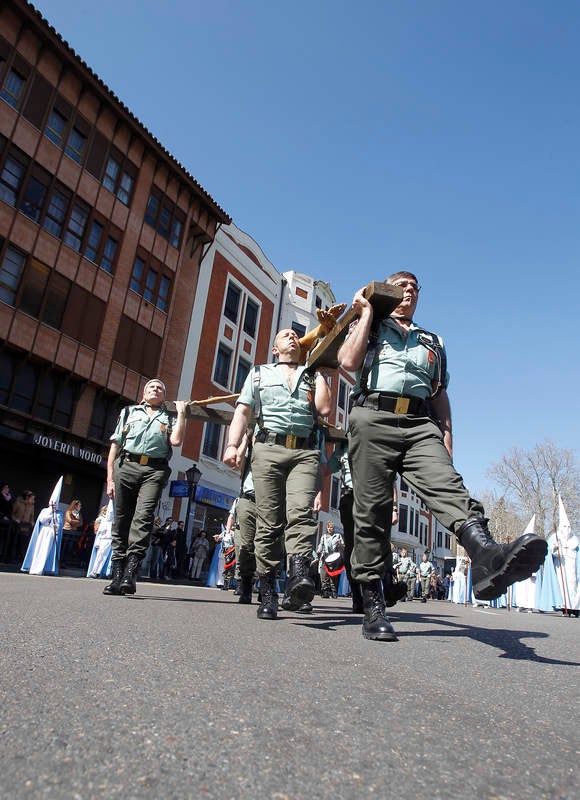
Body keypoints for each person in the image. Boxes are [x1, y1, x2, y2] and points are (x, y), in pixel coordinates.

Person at [338, 271, 547, 640]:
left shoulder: (432, 341)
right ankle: (372, 602)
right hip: (373, 416)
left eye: (415, 288)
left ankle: (486, 557)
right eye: (401, 286)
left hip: (420, 423)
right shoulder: (369, 326)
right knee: (371, 511)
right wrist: (366, 311)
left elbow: (439, 395)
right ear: (387, 290)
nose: (409, 292)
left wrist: (446, 435)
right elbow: (348, 362)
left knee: (448, 485)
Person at [223, 327, 332, 620]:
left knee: (300, 513)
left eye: (296, 335)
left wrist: (318, 371)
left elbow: (324, 408)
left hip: (305, 452)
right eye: (285, 335)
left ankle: (298, 576)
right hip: (268, 449)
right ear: (274, 349)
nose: (293, 337)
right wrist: (232, 445)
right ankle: (268, 589)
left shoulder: (311, 373)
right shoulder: (259, 374)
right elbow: (243, 412)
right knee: (268, 521)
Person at [103, 378, 186, 596]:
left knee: (143, 516)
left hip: (154, 470)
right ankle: (117, 574)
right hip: (126, 466)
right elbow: (115, 445)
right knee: (121, 519)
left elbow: (176, 442)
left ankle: (131, 573)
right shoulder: (129, 412)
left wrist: (182, 414)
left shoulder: (169, 417)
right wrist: (110, 478)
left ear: (164, 396)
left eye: (160, 388)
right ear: (144, 392)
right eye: (152, 387)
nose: (156, 389)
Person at [316, 521, 345, 599]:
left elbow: (343, 546)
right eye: (329, 527)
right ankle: (325, 591)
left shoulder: (338, 536)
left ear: (333, 528)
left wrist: (340, 544)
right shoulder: (324, 536)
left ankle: (334, 592)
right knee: (324, 575)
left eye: (331, 527)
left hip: (334, 559)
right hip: (324, 558)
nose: (330, 529)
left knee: (334, 576)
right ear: (327, 528)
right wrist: (319, 549)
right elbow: (320, 545)